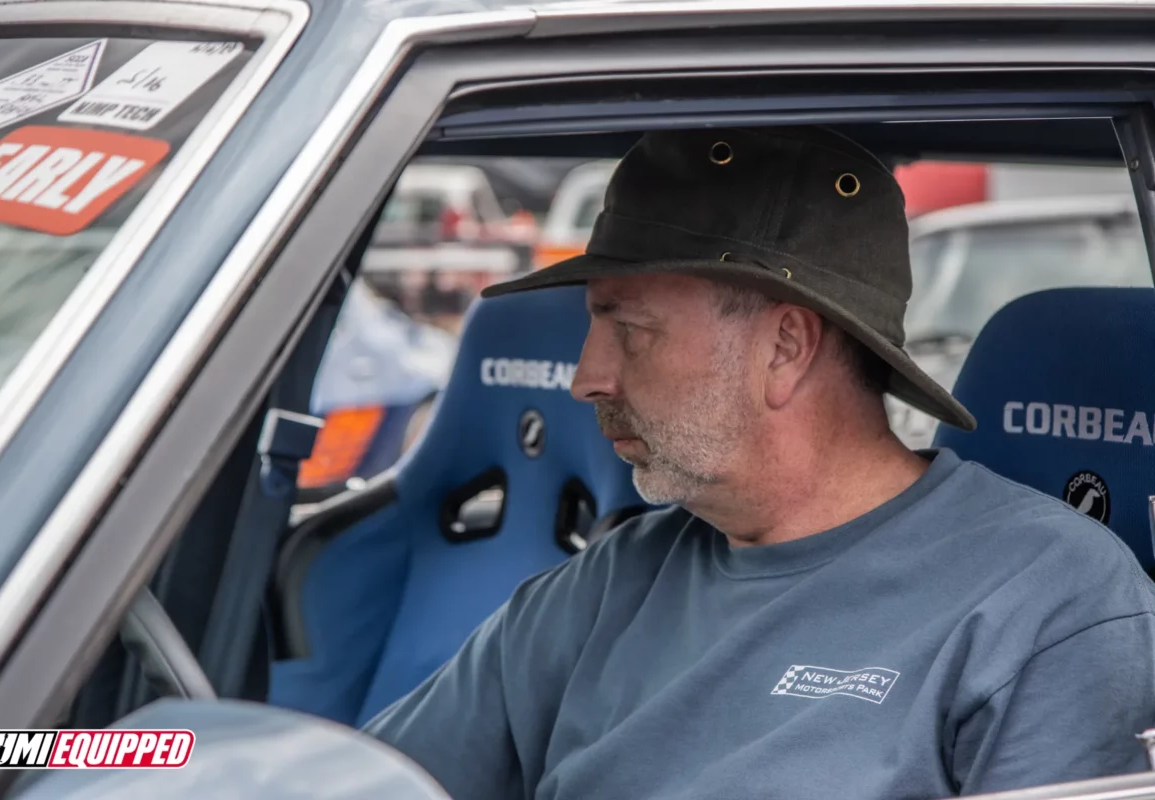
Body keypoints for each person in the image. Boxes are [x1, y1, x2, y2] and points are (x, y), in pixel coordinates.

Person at [362, 126, 1155, 799]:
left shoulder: (1049, 603)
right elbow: (366, 779)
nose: (585, 377)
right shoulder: (611, 582)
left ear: (785, 347)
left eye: (630, 329)